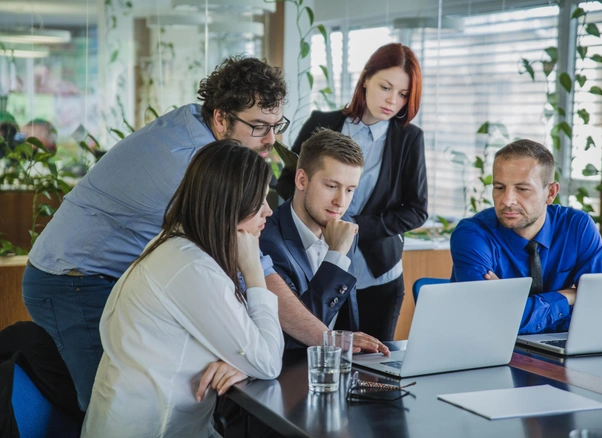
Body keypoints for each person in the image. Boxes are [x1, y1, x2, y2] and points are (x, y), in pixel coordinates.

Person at [23, 55, 384, 411]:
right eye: (258, 126)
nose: (271, 140)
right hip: (72, 278)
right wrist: (328, 339)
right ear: (221, 118)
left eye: (277, 125)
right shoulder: (192, 164)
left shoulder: (201, 129)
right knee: (108, 401)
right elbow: (254, 270)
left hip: (116, 274)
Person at [82, 140, 284, 437]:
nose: (268, 211)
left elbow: (254, 352)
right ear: (230, 203)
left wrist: (243, 362)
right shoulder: (192, 268)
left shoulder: (179, 246)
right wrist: (254, 273)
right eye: (260, 200)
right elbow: (267, 362)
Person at [277, 43, 428, 341]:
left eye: (403, 95)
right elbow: (287, 181)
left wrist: (355, 227)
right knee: (314, 356)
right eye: (386, 87)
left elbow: (417, 210)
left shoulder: (409, 139)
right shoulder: (323, 123)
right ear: (366, 79)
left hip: (377, 276)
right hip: (317, 268)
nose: (392, 101)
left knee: (372, 370)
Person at [449, 139, 602, 334]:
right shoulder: (472, 235)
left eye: (522, 189)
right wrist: (568, 297)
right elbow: (490, 318)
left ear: (551, 193)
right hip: (483, 353)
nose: (507, 201)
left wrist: (512, 305)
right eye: (499, 187)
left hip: (560, 351)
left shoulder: (576, 227)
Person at [261, 128, 367, 340]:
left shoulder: (346, 225)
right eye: (331, 186)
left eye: (349, 190)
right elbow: (302, 331)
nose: (341, 202)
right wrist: (336, 255)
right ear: (301, 180)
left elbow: (344, 315)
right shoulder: (267, 240)